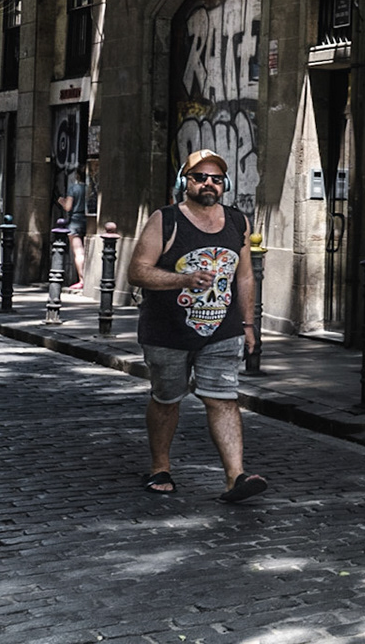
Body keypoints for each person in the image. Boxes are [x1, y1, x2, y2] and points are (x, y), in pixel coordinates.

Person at [128, 149, 267, 502]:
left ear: (226, 185)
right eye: (199, 177)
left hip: (223, 329)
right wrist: (182, 281)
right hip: (167, 330)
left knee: (223, 399)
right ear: (183, 182)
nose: (208, 183)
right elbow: (138, 271)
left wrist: (248, 323)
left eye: (216, 179)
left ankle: (236, 476)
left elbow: (245, 276)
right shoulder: (166, 220)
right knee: (167, 399)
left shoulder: (238, 221)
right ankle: (161, 467)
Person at [57, 168, 88, 290]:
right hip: (87, 220)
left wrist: (61, 201)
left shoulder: (74, 188)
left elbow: (68, 207)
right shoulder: (91, 187)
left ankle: (82, 280)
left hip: (75, 221)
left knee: (78, 252)